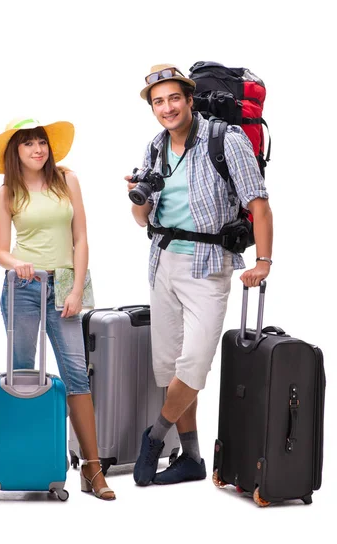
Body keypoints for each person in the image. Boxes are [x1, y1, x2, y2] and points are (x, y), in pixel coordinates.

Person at [125, 64, 273, 487]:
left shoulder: (227, 140)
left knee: (194, 364)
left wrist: (263, 262)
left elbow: (259, 204)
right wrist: (137, 194)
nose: (167, 108)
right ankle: (190, 456)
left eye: (174, 98)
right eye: (158, 102)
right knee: (169, 365)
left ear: (190, 99)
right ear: (152, 108)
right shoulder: (155, 147)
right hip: (162, 260)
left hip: (208, 264)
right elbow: (141, 220)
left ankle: (153, 438)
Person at [0, 117, 115, 501]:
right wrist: (16, 264)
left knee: (77, 372)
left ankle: (92, 470)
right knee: (25, 375)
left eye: (41, 142)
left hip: (63, 285)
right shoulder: (6, 192)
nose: (37, 149)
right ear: (16, 151)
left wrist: (76, 288)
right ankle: (30, 458)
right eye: (28, 144)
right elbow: (0, 252)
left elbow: (80, 237)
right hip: (24, 286)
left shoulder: (67, 180)